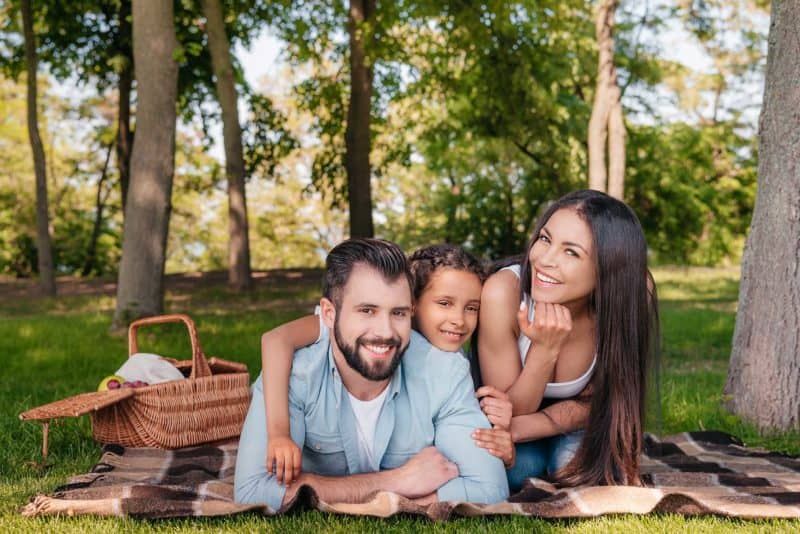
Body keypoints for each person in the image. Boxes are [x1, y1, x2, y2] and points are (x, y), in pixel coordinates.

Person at [234, 239, 509, 510]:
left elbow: (489, 487)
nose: (385, 331)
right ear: (328, 314)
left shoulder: (445, 371)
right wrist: (399, 482)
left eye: (398, 313)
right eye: (367, 310)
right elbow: (253, 491)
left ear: (411, 312)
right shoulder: (294, 374)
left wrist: (326, 492)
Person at [476, 189, 659, 490]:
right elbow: (505, 412)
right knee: (519, 471)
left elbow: (604, 398)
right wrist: (544, 351)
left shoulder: (630, 297)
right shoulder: (503, 293)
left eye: (571, 252)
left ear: (608, 269)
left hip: (580, 422)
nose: (544, 260)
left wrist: (522, 431)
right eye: (545, 239)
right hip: (513, 416)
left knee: (575, 468)